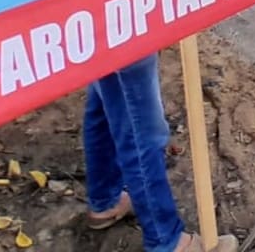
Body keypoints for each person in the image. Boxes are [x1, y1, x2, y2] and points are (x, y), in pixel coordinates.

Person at [83, 55, 237, 252]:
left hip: (99, 32)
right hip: (123, 30)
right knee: (140, 124)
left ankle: (105, 200)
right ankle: (166, 240)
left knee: (108, 90)